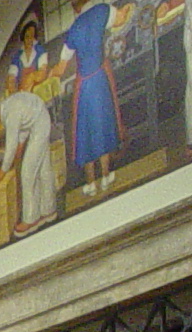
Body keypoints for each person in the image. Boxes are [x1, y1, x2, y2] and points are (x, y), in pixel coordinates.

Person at [56, 0, 132, 197]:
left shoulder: (74, 28)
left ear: (74, 8)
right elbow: (121, 19)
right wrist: (128, 8)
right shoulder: (102, 10)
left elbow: (61, 68)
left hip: (84, 85)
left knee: (85, 132)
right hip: (99, 79)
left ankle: (90, 183)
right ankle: (106, 176)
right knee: (103, 126)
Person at [0, 93, 59, 235]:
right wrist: (21, 144)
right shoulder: (9, 110)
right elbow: (25, 122)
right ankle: (49, 209)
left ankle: (31, 218)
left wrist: (2, 171)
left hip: (40, 124)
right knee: (43, 169)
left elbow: (10, 145)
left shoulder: (9, 114)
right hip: (39, 119)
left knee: (28, 173)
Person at [6, 18, 49, 96]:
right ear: (23, 37)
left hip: (37, 92)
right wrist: (13, 90)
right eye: (27, 36)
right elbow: (11, 78)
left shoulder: (40, 51)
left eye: (32, 36)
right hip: (21, 93)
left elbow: (42, 73)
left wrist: (31, 77)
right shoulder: (17, 57)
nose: (29, 40)